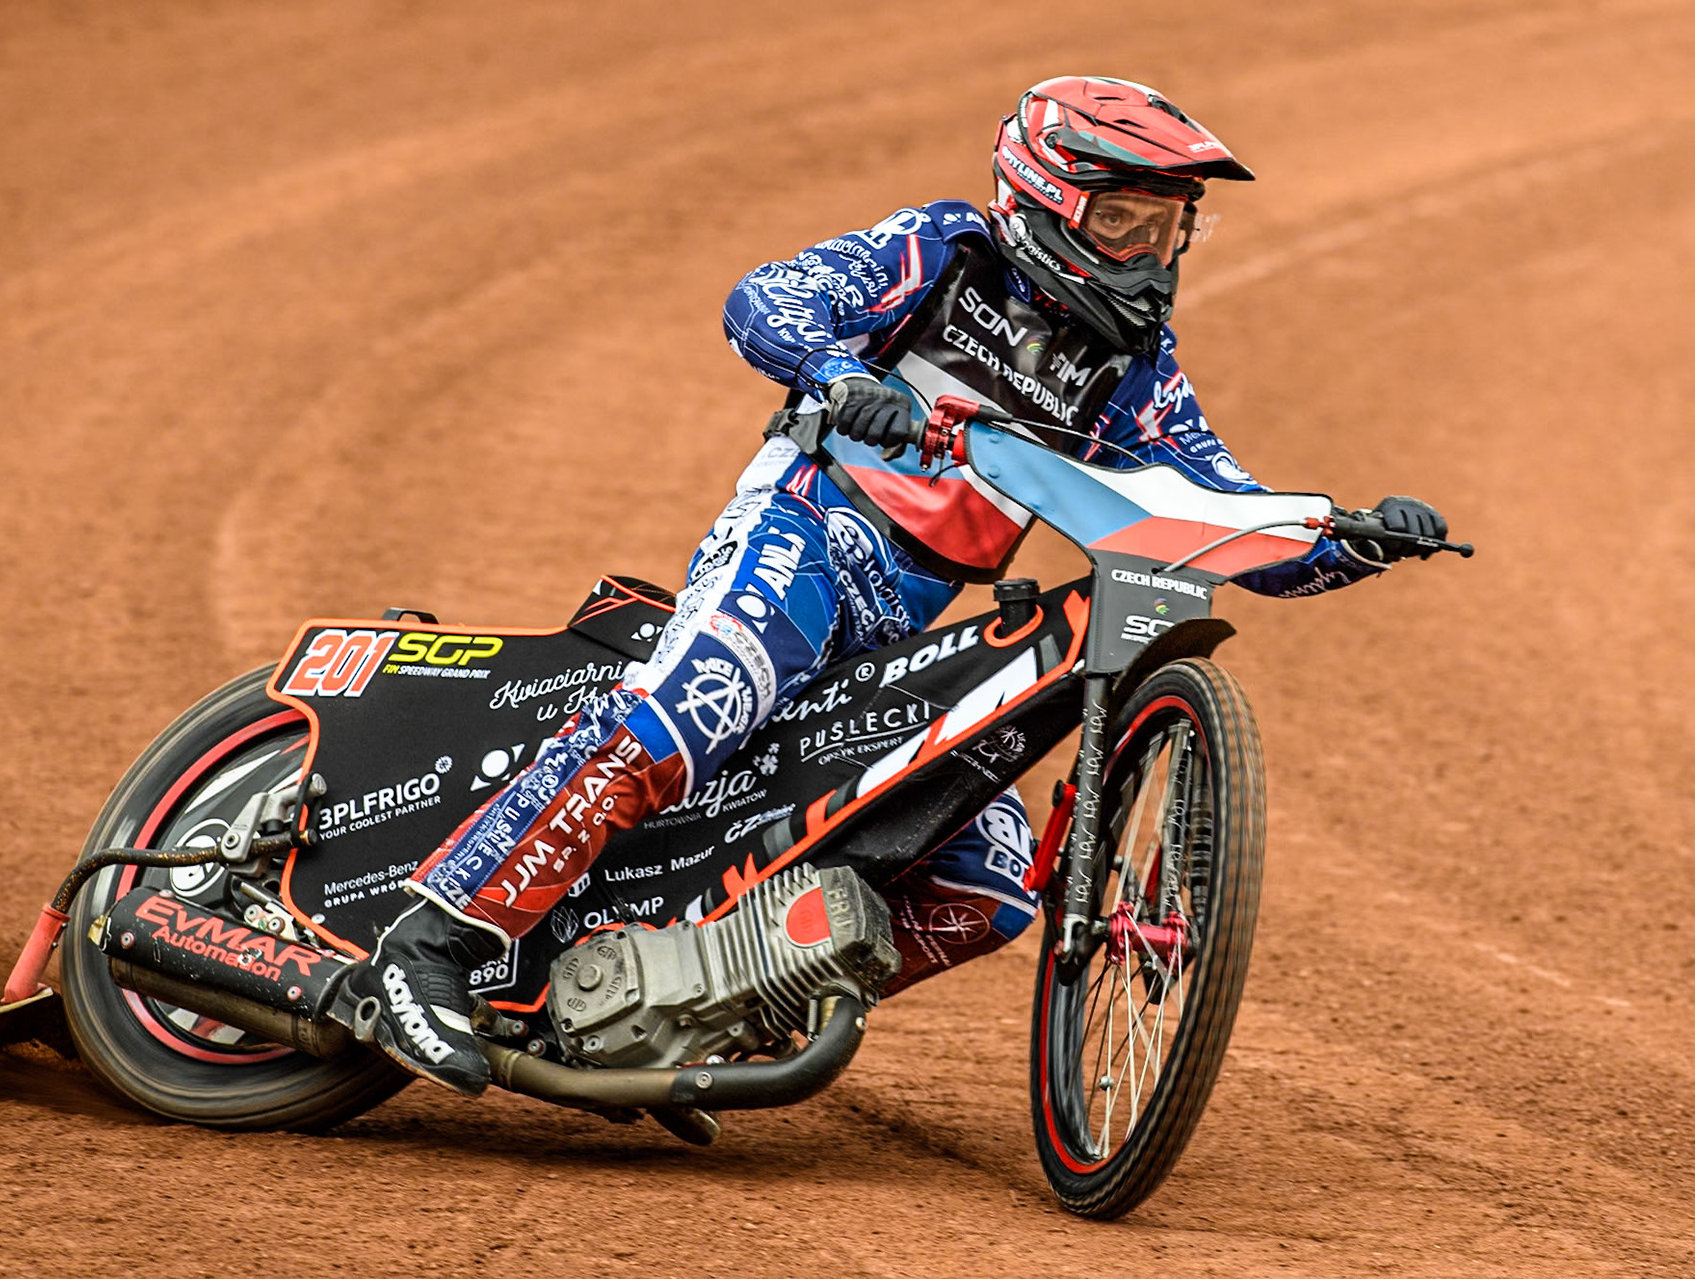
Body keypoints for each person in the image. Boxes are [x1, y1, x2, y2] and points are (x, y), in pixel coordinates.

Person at [347, 76, 1448, 1094]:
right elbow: (768, 297)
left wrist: (1349, 540)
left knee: (993, 875)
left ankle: (715, 1000)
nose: (1152, 254)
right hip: (807, 535)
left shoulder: (1136, 375)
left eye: (1170, 227)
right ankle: (430, 942)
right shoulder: (944, 251)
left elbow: (1221, 513)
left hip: (903, 625)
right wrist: (837, 376)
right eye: (1125, 222)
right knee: (700, 699)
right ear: (1050, 201)